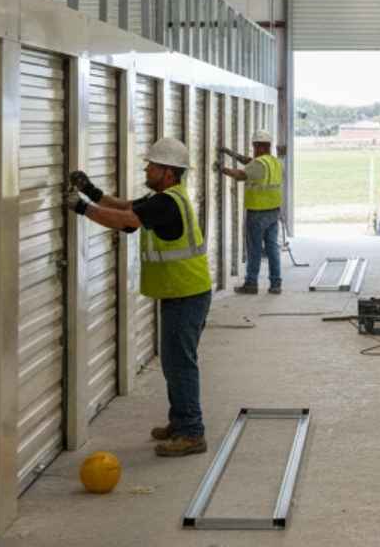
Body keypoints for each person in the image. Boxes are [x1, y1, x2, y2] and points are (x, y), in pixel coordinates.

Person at [69, 137, 212, 458]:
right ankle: (181, 422)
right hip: (183, 292)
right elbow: (127, 207)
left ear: (168, 171)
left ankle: (191, 431)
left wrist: (82, 208)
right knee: (175, 363)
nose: (146, 168)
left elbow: (126, 221)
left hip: (185, 294)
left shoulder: (167, 202)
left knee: (180, 364)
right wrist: (91, 192)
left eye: (152, 165)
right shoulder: (164, 197)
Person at [216, 129, 284, 295]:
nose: (253, 149)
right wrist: (231, 154)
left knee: (254, 249)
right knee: (272, 248)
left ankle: (251, 283)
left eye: (254, 146)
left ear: (260, 146)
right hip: (274, 211)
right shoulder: (273, 162)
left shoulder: (258, 164)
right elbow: (249, 162)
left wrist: (222, 169)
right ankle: (276, 284)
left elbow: (241, 175)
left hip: (258, 212)